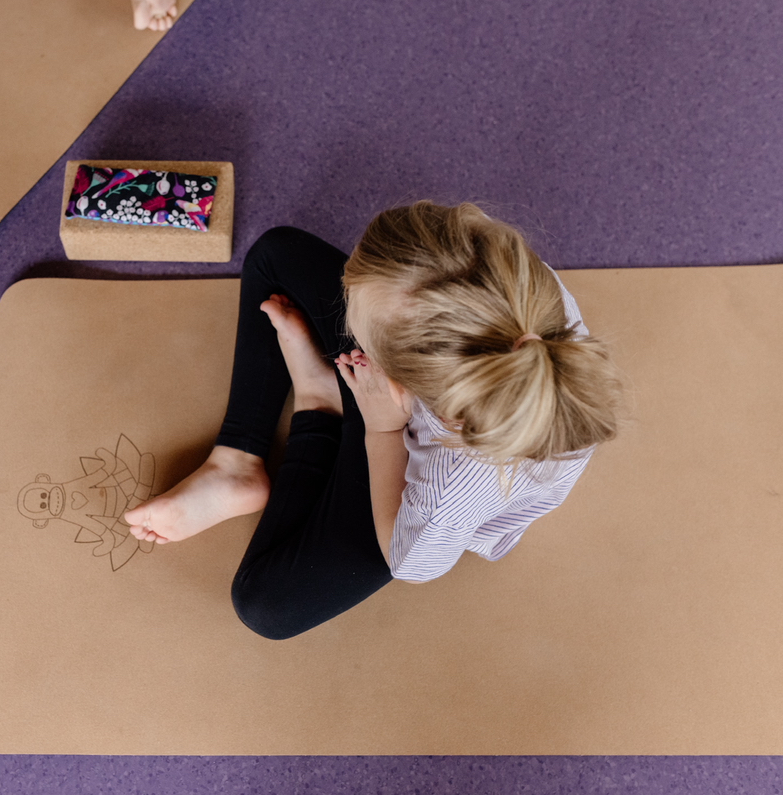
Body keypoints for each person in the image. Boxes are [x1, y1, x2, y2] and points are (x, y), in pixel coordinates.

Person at [124, 202, 623, 640]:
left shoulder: (447, 491)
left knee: (264, 606)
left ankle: (318, 401)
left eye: (352, 319)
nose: (342, 300)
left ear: (398, 375)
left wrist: (381, 427)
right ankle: (237, 459)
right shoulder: (520, 287)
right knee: (275, 252)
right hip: (406, 394)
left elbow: (409, 561)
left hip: (399, 476)